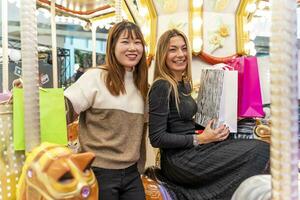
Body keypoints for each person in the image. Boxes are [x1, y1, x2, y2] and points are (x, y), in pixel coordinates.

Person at [148, 29, 270, 200]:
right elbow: (157, 138)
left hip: (191, 149)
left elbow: (184, 124)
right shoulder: (161, 86)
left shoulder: (183, 85)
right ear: (162, 54)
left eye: (184, 48)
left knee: (254, 146)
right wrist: (200, 139)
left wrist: (229, 116)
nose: (181, 54)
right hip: (180, 159)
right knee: (260, 150)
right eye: (173, 49)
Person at [64, 21, 148, 200]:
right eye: (125, 42)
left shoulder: (142, 86)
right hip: (98, 171)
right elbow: (64, 108)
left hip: (132, 173)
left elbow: (141, 134)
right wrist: (32, 97)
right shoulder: (95, 77)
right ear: (113, 46)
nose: (132, 48)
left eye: (137, 42)